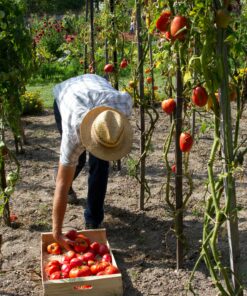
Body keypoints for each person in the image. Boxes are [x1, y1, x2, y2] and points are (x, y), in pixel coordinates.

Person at [52, 74, 133, 250]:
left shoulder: (122, 109)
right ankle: (70, 188)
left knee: (101, 165)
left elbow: (112, 131)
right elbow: (61, 183)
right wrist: (57, 233)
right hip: (66, 96)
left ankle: (93, 220)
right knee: (76, 162)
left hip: (94, 84)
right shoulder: (73, 133)